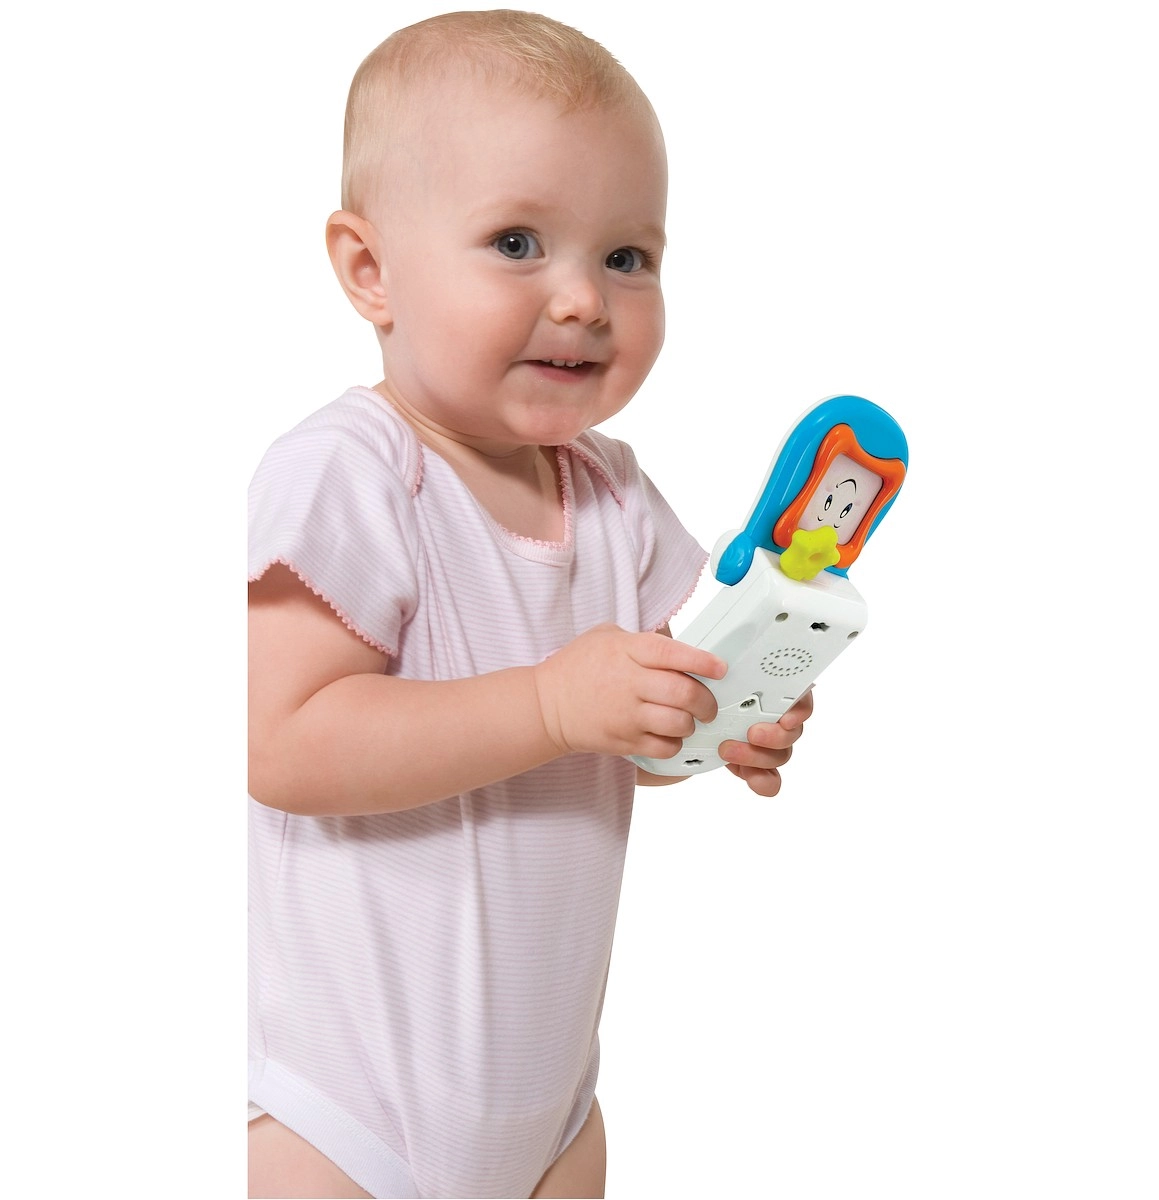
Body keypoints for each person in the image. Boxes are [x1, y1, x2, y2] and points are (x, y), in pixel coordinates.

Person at [247, 10, 813, 1197]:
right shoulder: (352, 473)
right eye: (518, 243)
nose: (584, 300)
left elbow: (638, 732)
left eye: (628, 257)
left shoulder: (614, 495)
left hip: (548, 1111)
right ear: (369, 271)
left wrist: (720, 719)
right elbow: (282, 743)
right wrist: (554, 705)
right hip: (343, 1111)